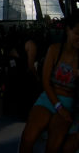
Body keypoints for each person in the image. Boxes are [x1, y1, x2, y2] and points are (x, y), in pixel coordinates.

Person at [20, 15, 79, 153]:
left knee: (53, 147)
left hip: (69, 102)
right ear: (67, 30)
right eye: (77, 33)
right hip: (48, 98)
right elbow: (45, 81)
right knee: (27, 139)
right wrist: (58, 107)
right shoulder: (54, 50)